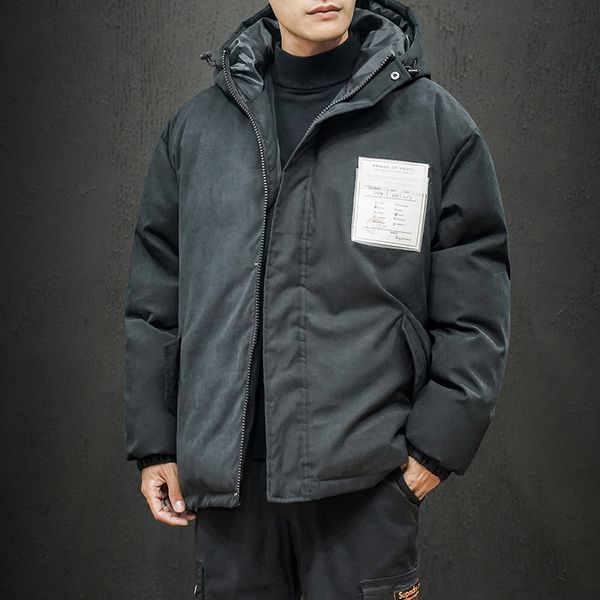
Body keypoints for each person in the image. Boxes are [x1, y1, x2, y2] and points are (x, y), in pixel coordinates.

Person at [122, 1, 511, 597]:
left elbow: (476, 309)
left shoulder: (432, 124)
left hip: (366, 486)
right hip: (229, 490)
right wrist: (156, 442)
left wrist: (433, 451)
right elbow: (157, 297)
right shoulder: (197, 130)